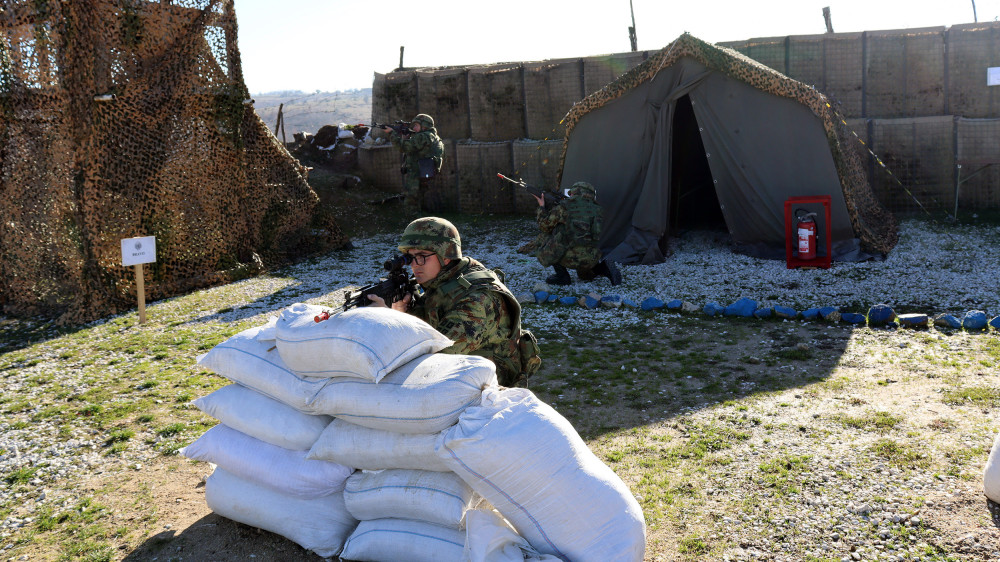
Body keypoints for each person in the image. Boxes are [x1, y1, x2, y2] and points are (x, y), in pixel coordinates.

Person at [369, 217, 539, 387]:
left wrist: (391, 321)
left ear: (446, 256)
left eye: (421, 257)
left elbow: (434, 357)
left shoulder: (477, 301)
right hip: (463, 374)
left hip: (491, 390)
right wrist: (405, 313)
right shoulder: (446, 279)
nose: (414, 265)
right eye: (409, 258)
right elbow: (432, 321)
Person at [517, 181, 622, 286]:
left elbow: (545, 226)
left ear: (575, 192)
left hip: (569, 258)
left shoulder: (564, 206)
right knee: (585, 276)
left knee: (545, 237)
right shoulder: (597, 209)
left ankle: (562, 276)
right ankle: (603, 268)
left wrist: (542, 207)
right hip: (591, 258)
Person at [383, 114, 445, 217]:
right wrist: (406, 138)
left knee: (411, 198)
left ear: (424, 126)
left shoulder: (423, 136)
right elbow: (415, 149)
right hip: (425, 171)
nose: (414, 128)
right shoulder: (432, 136)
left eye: (416, 125)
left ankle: (412, 222)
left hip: (417, 172)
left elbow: (404, 147)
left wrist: (392, 133)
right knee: (419, 197)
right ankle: (421, 220)